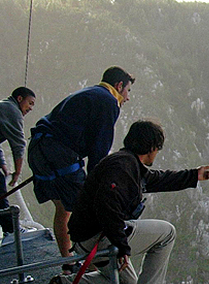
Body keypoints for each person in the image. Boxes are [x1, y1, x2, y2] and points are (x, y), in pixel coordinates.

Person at [45, 120, 209, 284]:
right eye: (157, 149)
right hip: (99, 236)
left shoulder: (126, 163)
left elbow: (160, 179)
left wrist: (194, 175)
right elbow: (107, 206)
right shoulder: (123, 167)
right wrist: (121, 247)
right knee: (167, 232)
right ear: (152, 148)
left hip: (88, 236)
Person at [28, 66, 134, 259]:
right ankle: (92, 271)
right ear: (119, 86)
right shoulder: (109, 101)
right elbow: (99, 149)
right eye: (127, 91)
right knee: (89, 208)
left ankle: (69, 263)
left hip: (37, 147)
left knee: (63, 208)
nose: (127, 98)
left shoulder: (90, 92)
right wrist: (99, 184)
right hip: (60, 152)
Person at [0, 87, 36, 235]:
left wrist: (3, 166)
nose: (31, 108)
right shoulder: (12, 110)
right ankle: (11, 230)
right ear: (20, 99)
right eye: (30, 103)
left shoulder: (4, 106)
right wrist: (17, 173)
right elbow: (19, 144)